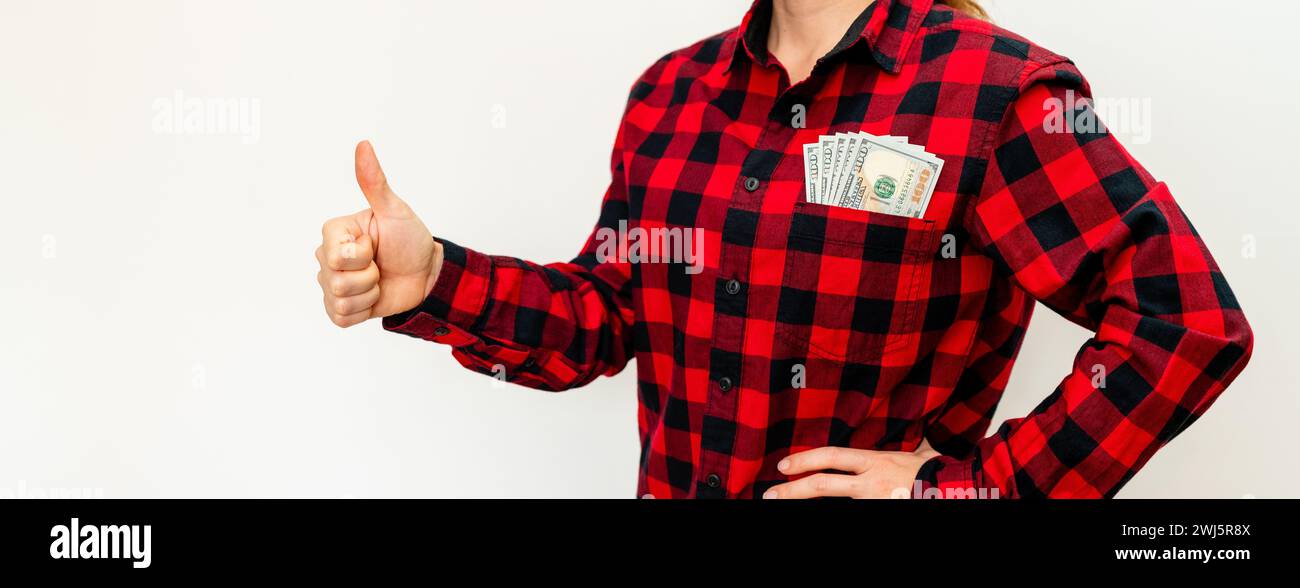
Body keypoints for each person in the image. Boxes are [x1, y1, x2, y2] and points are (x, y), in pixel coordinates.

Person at [314, 0, 1252, 498]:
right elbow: (606, 317)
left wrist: (975, 492)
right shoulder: (671, 94)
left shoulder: (999, 90)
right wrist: (435, 278)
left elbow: (1189, 327)